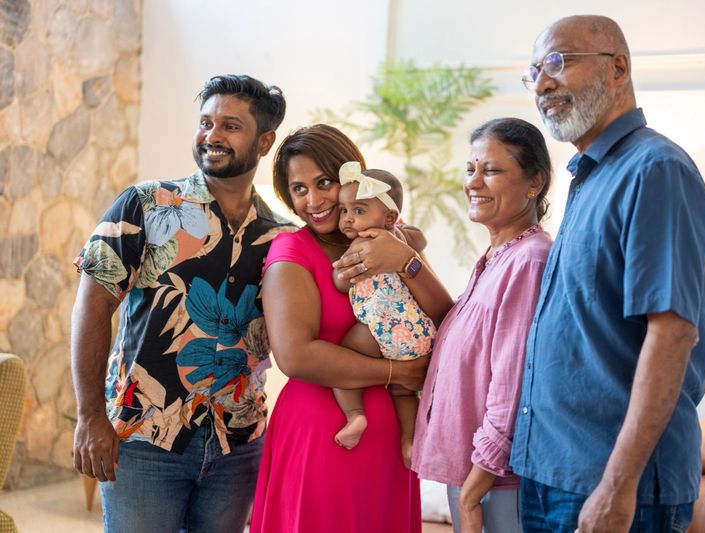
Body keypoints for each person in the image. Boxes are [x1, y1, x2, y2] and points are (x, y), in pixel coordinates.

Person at [510, 15, 705, 532]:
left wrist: (617, 487)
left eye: (558, 62)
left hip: (615, 485)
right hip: (550, 471)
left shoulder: (656, 169)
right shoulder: (588, 177)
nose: (542, 84)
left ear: (617, 68)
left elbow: (672, 334)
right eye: (534, 72)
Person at [70, 74, 292, 533]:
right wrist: (90, 416)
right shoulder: (145, 205)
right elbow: (92, 307)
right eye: (206, 122)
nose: (212, 135)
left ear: (265, 141)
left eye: (231, 126)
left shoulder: (281, 238)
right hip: (144, 438)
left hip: (238, 445)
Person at [250, 124, 452, 533]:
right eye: (299, 189)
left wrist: (407, 261)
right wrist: (398, 373)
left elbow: (444, 317)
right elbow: (295, 356)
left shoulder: (390, 236)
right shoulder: (291, 251)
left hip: (390, 440)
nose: (314, 201)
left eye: (324, 182)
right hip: (321, 434)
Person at [411, 117, 553, 533]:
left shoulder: (530, 260)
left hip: (493, 481)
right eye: (470, 169)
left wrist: (475, 489)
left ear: (534, 182)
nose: (473, 182)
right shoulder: (495, 258)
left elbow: (512, 383)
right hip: (472, 474)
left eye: (490, 170)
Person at [330, 161, 436, 466]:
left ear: (388, 216)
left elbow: (341, 282)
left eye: (359, 210)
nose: (348, 219)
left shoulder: (362, 243)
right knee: (403, 393)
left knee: (343, 360)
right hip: (417, 331)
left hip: (380, 330)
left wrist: (337, 273)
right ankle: (410, 442)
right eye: (344, 211)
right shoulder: (400, 236)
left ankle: (355, 415)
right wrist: (400, 230)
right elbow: (421, 238)